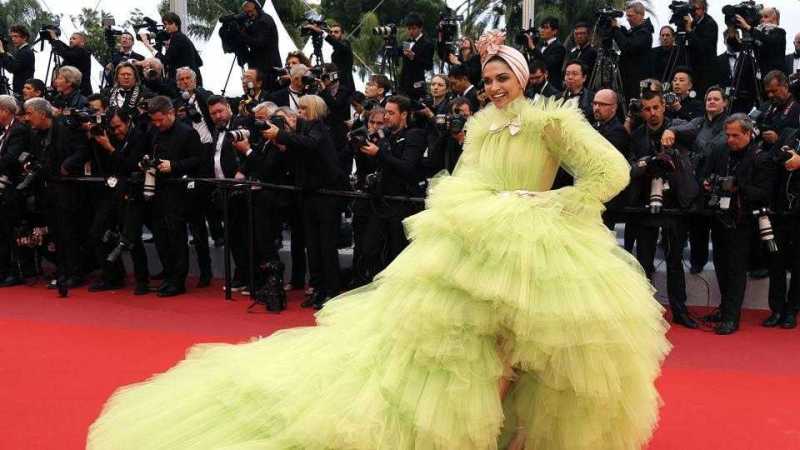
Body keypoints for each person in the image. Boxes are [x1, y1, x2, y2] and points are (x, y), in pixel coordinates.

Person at [87, 30, 670, 450]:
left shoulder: (553, 121)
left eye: (504, 77)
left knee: (537, 354)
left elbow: (610, 174)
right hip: (475, 244)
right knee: (466, 353)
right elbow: (469, 181)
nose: (494, 87)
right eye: (488, 78)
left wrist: (550, 202)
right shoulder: (480, 125)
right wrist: (487, 207)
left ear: (524, 76)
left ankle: (515, 436)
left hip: (536, 246)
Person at [701, 114, 777, 334]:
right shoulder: (720, 151)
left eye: (735, 135)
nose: (730, 140)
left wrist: (738, 187)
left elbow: (764, 193)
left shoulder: (760, 157)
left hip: (743, 222)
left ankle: (731, 317)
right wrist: (708, 183)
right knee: (721, 266)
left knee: (736, 270)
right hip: (719, 218)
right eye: (727, 135)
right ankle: (725, 308)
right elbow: (705, 175)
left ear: (748, 133)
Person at [662, 86, 730, 274]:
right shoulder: (699, 122)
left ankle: (721, 268)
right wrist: (671, 132)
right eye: (709, 99)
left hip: (722, 181)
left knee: (719, 233)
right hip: (698, 181)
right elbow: (680, 127)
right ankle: (697, 262)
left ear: (725, 103)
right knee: (697, 226)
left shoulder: (730, 123)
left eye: (716, 99)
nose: (712, 102)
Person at [236, 0, 282, 92]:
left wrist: (242, 35)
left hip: (267, 69)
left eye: (251, 11)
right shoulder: (256, 21)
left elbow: (259, 42)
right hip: (261, 67)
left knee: (266, 96)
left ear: (257, 8)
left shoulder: (264, 21)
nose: (249, 14)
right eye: (246, 12)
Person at [612, 2, 654, 101]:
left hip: (637, 83)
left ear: (640, 15)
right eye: (627, 16)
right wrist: (617, 28)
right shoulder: (634, 31)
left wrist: (616, 29)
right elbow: (627, 38)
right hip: (627, 80)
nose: (627, 19)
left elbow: (628, 46)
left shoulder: (645, 33)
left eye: (630, 16)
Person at [735, 7, 785, 78]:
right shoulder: (759, 33)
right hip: (761, 76)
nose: (762, 19)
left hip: (775, 77)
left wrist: (748, 27)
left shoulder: (780, 32)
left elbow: (768, 40)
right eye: (761, 17)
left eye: (766, 17)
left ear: (774, 19)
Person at [154, 12, 203, 83]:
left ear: (177, 24)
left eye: (170, 24)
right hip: (194, 79)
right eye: (165, 24)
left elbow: (166, 60)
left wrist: (148, 45)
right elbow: (199, 62)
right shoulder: (183, 37)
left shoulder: (177, 37)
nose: (167, 27)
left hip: (185, 82)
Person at [683, 0, 718, 94]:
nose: (694, 12)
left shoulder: (710, 24)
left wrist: (690, 31)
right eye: (691, 9)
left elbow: (703, 47)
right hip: (692, 70)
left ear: (704, 9)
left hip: (705, 73)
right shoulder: (692, 23)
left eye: (696, 9)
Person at [398, 12, 434, 100]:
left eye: (414, 29)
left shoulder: (427, 44)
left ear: (420, 28)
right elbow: (397, 53)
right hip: (404, 84)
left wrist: (414, 57)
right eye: (409, 29)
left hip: (417, 85)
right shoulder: (406, 42)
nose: (411, 31)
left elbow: (429, 65)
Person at [524, 17, 566, 90]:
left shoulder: (559, 47)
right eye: (541, 27)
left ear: (554, 31)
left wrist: (533, 48)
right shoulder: (539, 45)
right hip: (536, 86)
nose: (542, 30)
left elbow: (547, 63)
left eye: (546, 28)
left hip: (552, 88)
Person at [48, 31, 93, 96]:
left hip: (80, 93)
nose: (71, 40)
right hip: (73, 92)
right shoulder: (73, 51)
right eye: (70, 38)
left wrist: (55, 40)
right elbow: (66, 48)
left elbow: (66, 53)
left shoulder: (82, 52)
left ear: (82, 42)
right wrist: (53, 40)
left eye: (74, 39)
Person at [0, 25, 35, 97]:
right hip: (21, 91)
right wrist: (6, 55)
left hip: (23, 92)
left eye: (16, 36)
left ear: (24, 37)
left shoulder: (25, 52)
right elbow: (15, 64)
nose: (13, 39)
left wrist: (2, 52)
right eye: (12, 36)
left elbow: (12, 68)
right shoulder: (23, 50)